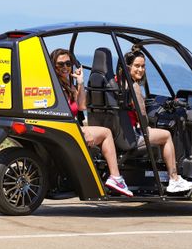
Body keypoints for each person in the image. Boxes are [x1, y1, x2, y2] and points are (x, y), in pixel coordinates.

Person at [50, 49, 132, 197]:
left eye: (68, 63)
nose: (65, 67)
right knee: (106, 132)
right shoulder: (55, 86)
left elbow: (82, 106)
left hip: (71, 127)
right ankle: (115, 177)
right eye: (60, 64)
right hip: (69, 130)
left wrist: (80, 82)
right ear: (52, 65)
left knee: (100, 130)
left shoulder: (68, 85)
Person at [121, 50, 192, 193]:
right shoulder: (134, 86)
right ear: (127, 66)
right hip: (134, 134)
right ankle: (174, 179)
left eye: (143, 66)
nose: (141, 70)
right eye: (137, 66)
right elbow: (142, 116)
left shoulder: (119, 82)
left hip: (124, 131)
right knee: (166, 135)